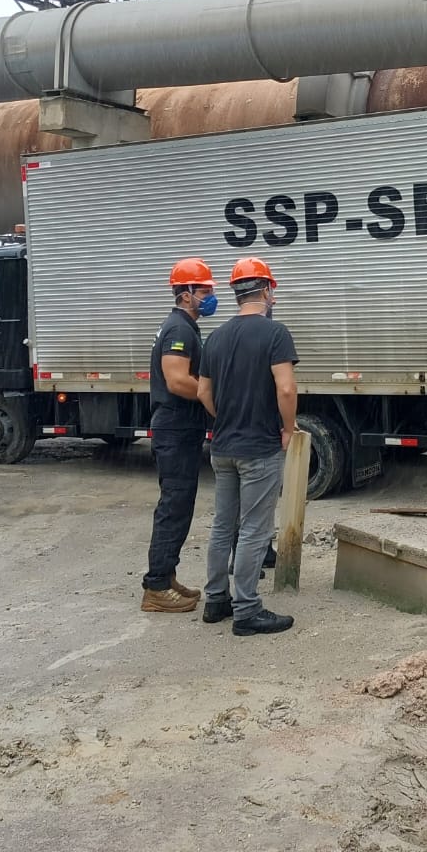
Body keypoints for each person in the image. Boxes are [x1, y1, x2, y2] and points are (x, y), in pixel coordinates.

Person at [197, 257, 299, 637]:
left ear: (236, 293)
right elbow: (286, 388)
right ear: (267, 291)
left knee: (223, 525)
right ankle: (247, 610)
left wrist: (226, 417)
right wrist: (287, 429)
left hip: (222, 446)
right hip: (259, 447)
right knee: (255, 529)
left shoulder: (216, 337)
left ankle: (216, 600)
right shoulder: (275, 334)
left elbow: (203, 392)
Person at [139, 258, 217, 614]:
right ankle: (156, 586)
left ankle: (167, 577)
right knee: (174, 506)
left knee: (180, 505)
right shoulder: (179, 330)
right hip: (175, 429)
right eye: (204, 290)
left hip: (180, 428)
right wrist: (213, 397)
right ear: (186, 294)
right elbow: (176, 380)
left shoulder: (184, 326)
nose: (210, 296)